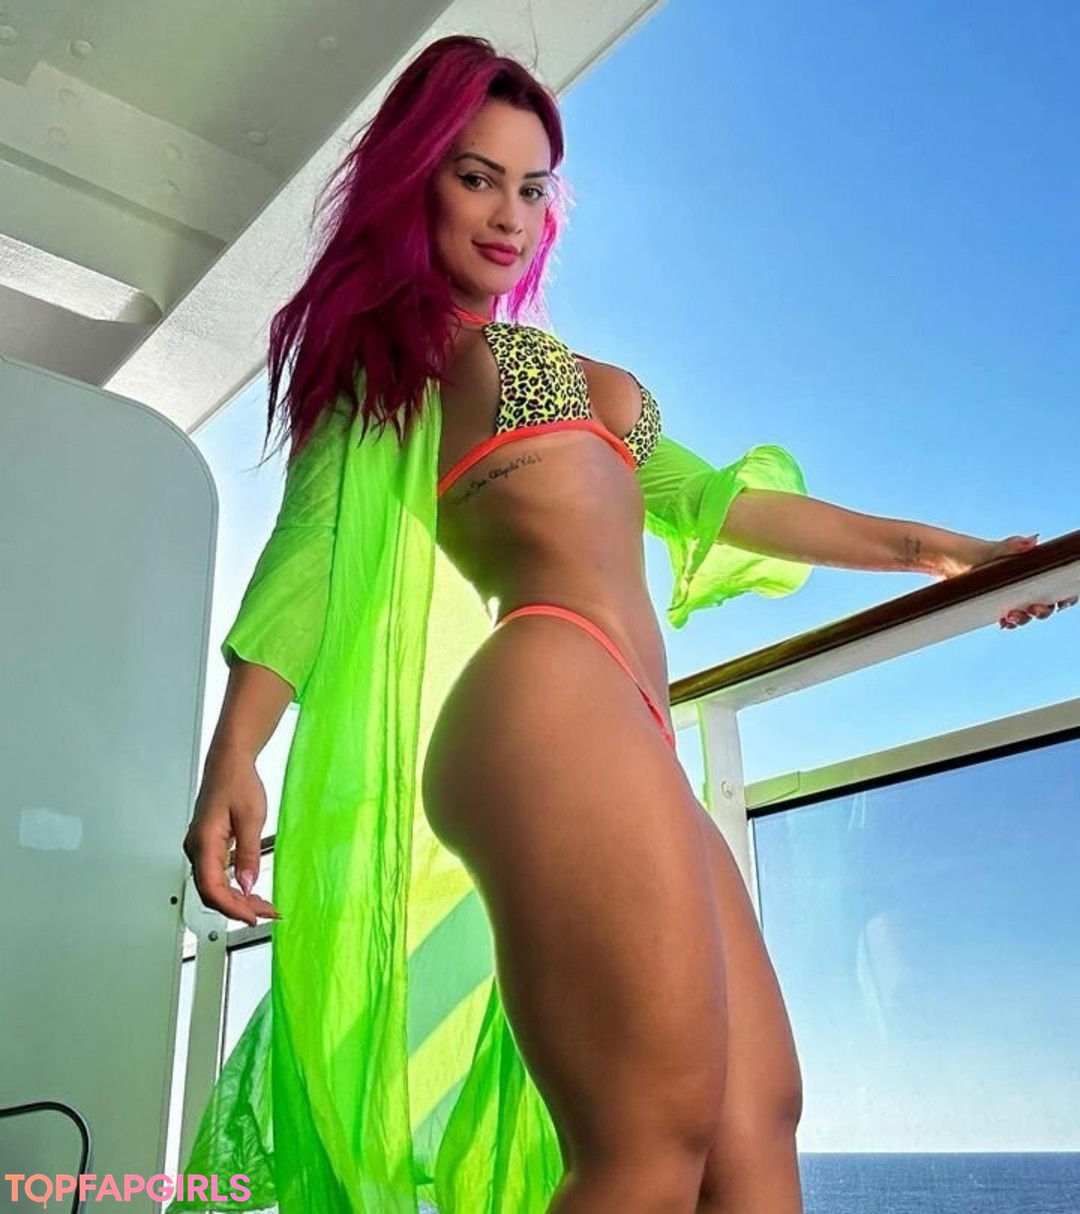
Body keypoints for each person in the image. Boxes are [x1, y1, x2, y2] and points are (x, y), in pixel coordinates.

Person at [177, 34, 1072, 1214]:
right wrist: (235, 751)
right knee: (647, 1133)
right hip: (545, 690)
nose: (509, 214)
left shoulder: (569, 369)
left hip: (630, 723)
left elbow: (723, 504)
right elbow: (311, 551)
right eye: (476, 177)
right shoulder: (395, 355)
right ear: (416, 183)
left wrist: (945, 551)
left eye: (531, 186)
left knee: (756, 1120)